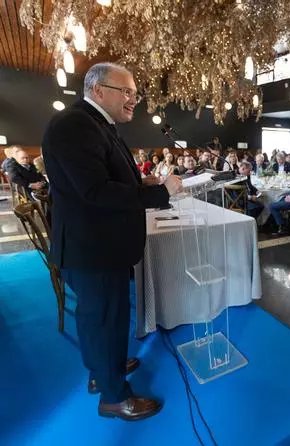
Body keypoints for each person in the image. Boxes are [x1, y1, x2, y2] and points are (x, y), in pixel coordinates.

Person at [41, 62, 182, 421]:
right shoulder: (75, 124)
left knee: (102, 317)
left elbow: (106, 177)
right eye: (128, 92)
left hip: (99, 244)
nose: (134, 99)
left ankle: (103, 372)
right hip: (93, 248)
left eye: (136, 92)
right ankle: (115, 397)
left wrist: (145, 186)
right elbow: (94, 190)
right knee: (105, 319)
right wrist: (158, 194)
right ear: (98, 90)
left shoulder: (97, 124)